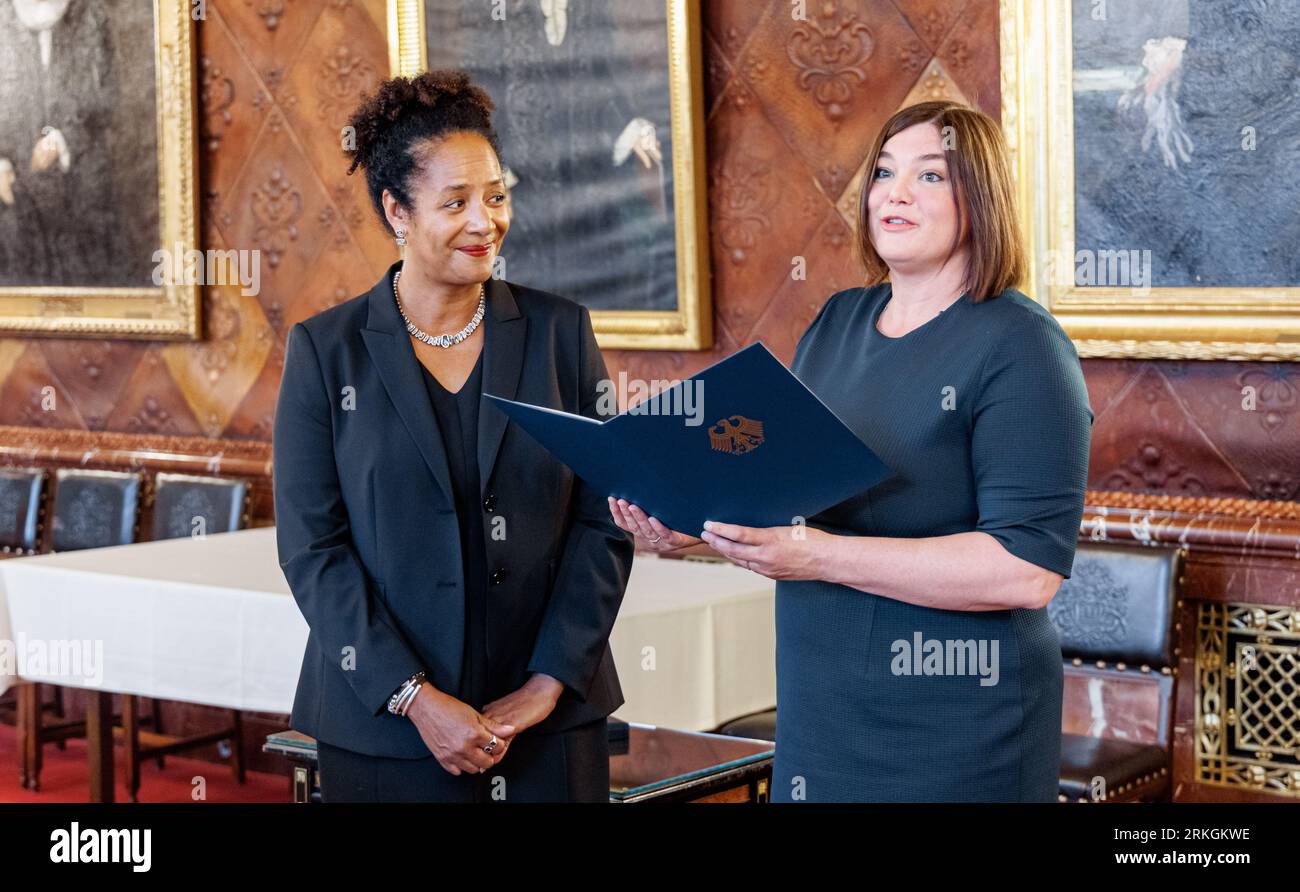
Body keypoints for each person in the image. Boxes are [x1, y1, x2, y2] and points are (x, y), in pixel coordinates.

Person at [611, 100, 1093, 802]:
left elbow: (1025, 571)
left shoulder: (1023, 346)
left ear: (979, 199)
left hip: (960, 725)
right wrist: (695, 523)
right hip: (822, 710)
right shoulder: (839, 322)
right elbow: (784, 489)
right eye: (885, 172)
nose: (894, 193)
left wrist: (819, 556)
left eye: (930, 176)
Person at [273, 70, 633, 802]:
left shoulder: (560, 332)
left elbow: (604, 518)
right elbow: (313, 549)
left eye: (497, 196)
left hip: (547, 730)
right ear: (397, 210)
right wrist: (413, 697)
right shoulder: (325, 350)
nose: (486, 222)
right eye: (457, 202)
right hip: (385, 731)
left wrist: (548, 683)